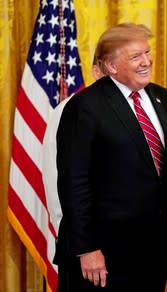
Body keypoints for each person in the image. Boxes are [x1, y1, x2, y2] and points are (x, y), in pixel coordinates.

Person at [54, 23, 167, 292]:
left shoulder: (164, 98)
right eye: (136, 57)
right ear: (111, 65)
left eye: (147, 53)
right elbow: (74, 182)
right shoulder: (84, 106)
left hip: (153, 251)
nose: (146, 62)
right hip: (103, 256)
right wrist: (86, 248)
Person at [43, 55, 104, 233]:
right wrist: (76, 238)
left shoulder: (141, 106)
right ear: (96, 72)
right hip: (86, 237)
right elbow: (58, 178)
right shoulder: (72, 109)